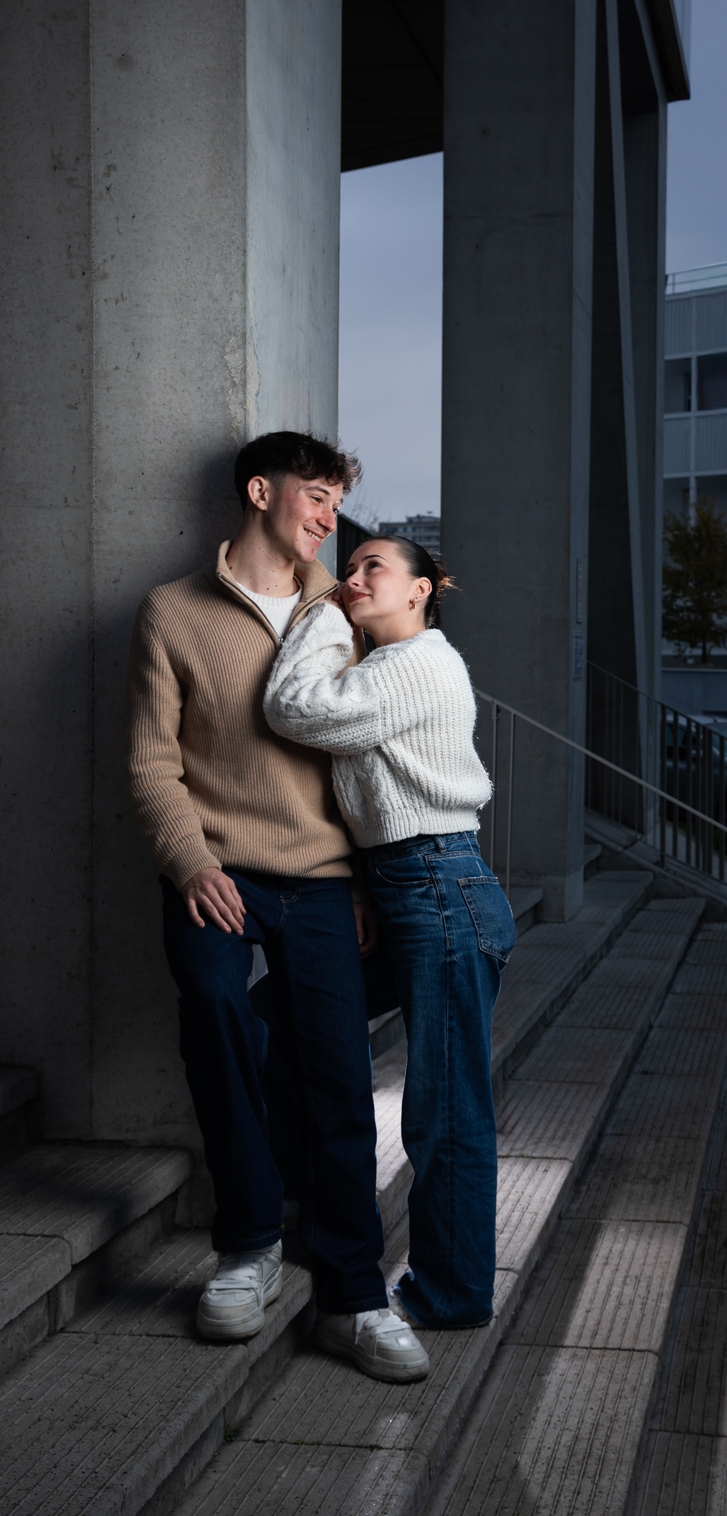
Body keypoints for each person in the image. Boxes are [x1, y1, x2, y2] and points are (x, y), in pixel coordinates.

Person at [125, 432, 428, 1382]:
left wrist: (367, 881)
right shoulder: (173, 611)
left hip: (325, 876)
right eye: (316, 496)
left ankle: (352, 1295)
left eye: (337, 502)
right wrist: (188, 864)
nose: (329, 519)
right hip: (217, 868)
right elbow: (150, 764)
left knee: (337, 1072)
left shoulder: (340, 605)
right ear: (261, 492)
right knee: (215, 1011)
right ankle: (248, 1245)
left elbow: (371, 750)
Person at [264, 535, 515, 1329]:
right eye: (348, 568)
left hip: (441, 888)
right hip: (407, 884)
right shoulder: (381, 668)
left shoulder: (415, 663)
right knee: (281, 1015)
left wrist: (319, 615)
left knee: (444, 1108)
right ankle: (303, 1207)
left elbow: (294, 709)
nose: (353, 578)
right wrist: (363, 888)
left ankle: (451, 1293)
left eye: (374, 566)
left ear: (420, 590)